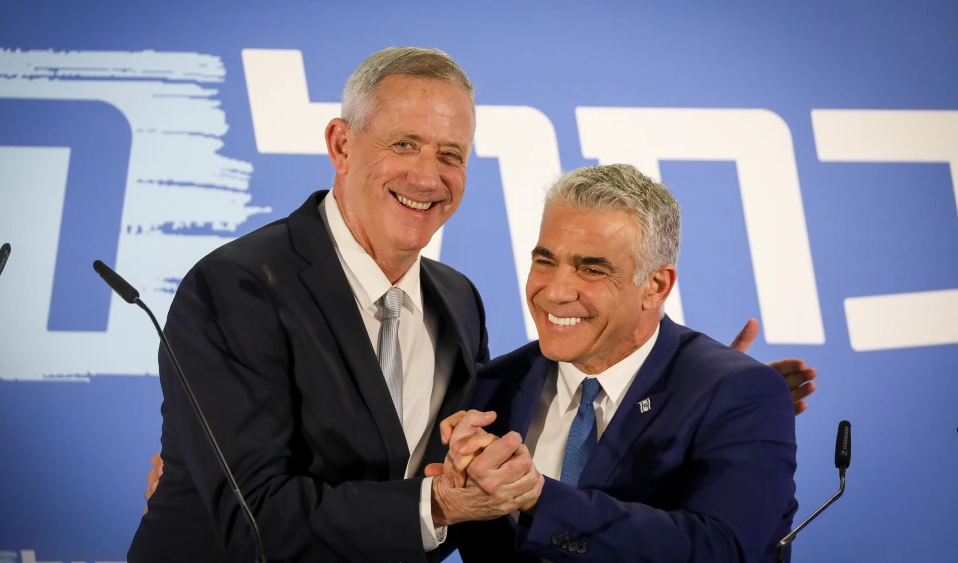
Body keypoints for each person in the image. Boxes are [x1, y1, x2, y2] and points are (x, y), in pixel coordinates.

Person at [134, 47, 816, 563]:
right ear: (341, 145)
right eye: (404, 143)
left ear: (656, 286)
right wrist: (439, 504)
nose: (428, 175)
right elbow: (258, 516)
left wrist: (687, 381)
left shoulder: (455, 300)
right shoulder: (238, 285)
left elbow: (469, 461)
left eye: (451, 153)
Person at [432, 164, 799, 562]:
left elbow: (723, 549)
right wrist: (444, 501)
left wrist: (537, 496)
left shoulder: (739, 394)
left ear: (655, 286)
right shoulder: (490, 388)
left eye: (591, 269)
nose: (554, 291)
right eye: (545, 261)